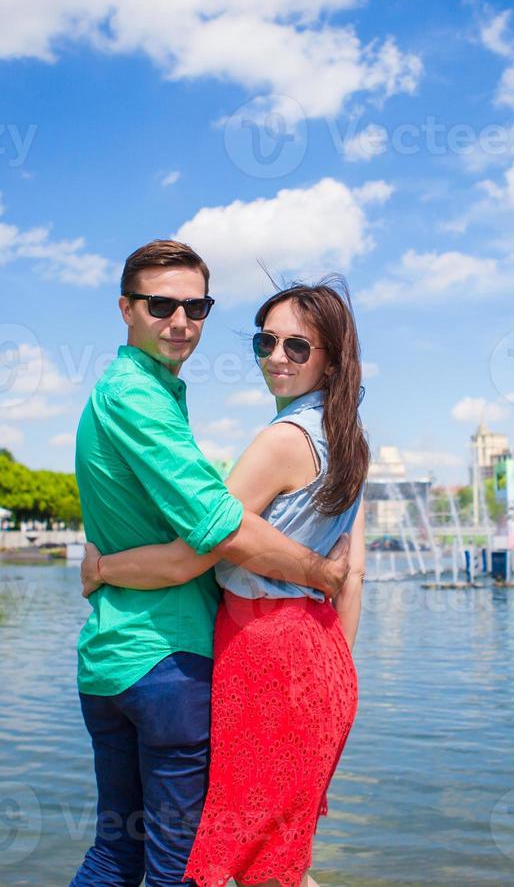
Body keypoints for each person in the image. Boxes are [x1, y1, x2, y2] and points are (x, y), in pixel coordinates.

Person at [70, 241, 350, 887]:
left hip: (110, 660)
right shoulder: (136, 397)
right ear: (125, 309)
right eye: (161, 305)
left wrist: (107, 568)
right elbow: (218, 526)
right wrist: (321, 573)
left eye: (195, 307)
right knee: (178, 869)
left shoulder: (145, 394)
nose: (180, 322)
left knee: (115, 853)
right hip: (168, 661)